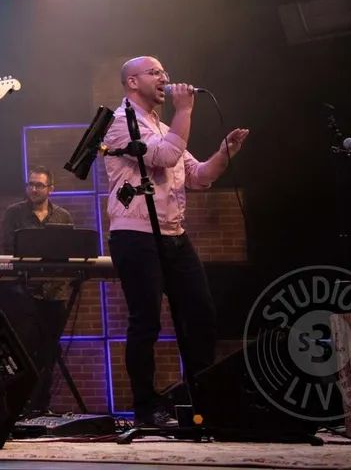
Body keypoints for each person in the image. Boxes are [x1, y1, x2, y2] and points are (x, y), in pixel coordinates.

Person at [102, 57, 249, 428]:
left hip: (173, 235)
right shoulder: (120, 123)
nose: (164, 77)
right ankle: (145, 406)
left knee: (200, 314)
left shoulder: (163, 126)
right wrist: (185, 109)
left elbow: (199, 176)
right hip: (134, 235)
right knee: (146, 321)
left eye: (164, 71)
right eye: (154, 72)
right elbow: (165, 155)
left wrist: (224, 153)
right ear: (132, 82)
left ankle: (200, 398)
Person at [0, 166, 73, 413]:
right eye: (30, 184)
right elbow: (8, 246)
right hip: (25, 292)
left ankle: (42, 406)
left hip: (55, 293)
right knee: (22, 351)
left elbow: (68, 253)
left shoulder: (63, 217)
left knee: (49, 353)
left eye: (39, 185)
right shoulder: (14, 213)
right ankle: (19, 407)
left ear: (51, 189)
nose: (33, 189)